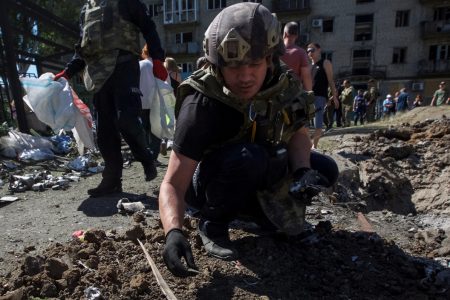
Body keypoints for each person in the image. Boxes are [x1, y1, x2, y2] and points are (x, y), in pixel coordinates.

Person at [159, 2, 339, 277]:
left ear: (269, 58)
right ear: (217, 64)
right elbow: (173, 182)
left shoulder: (282, 83)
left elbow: (298, 134)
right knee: (248, 158)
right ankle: (213, 223)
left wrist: (302, 172)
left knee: (324, 170)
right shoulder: (202, 101)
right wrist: (173, 232)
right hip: (208, 182)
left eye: (254, 64)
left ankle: (253, 214)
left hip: (255, 165)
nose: (244, 77)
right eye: (233, 67)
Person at [54, 0, 167, 197]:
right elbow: (83, 48)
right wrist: (68, 71)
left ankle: (146, 157)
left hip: (124, 67)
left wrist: (157, 58)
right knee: (105, 130)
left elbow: (148, 27)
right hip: (97, 75)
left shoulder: (126, 3)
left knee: (127, 118)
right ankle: (112, 179)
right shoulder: (87, 9)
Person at [307, 42, 339, 148]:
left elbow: (331, 81)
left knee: (318, 124)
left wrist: (334, 97)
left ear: (319, 50)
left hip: (319, 97)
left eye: (312, 50)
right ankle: (307, 145)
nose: (309, 53)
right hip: (307, 97)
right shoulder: (308, 65)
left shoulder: (325, 63)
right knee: (305, 124)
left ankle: (314, 146)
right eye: (308, 51)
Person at [139, 44, 163, 163]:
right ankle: (153, 157)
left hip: (142, 102)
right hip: (156, 102)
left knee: (144, 130)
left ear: (144, 52)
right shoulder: (159, 65)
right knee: (156, 132)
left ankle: (146, 155)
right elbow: (166, 85)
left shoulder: (140, 65)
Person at [280, 22, 312, 91]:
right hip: (293, 95)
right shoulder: (301, 53)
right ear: (297, 36)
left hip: (275, 94)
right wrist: (310, 94)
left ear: (284, 34)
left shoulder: (274, 52)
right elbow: (306, 76)